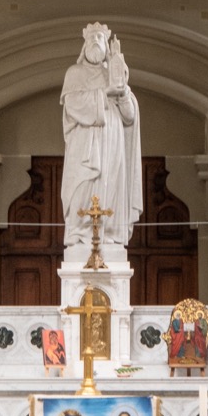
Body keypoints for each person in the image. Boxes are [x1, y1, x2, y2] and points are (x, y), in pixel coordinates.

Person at [59, 23, 143, 250]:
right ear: (85, 45)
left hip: (112, 145)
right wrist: (105, 92)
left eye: (100, 38)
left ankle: (111, 235)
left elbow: (129, 116)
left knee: (111, 187)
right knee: (83, 189)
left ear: (107, 47)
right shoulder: (74, 74)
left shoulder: (114, 75)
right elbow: (73, 105)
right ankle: (79, 235)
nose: (96, 41)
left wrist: (123, 91)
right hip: (84, 147)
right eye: (92, 38)